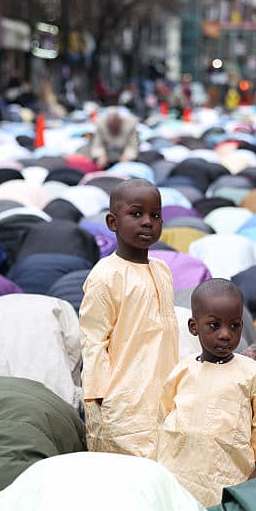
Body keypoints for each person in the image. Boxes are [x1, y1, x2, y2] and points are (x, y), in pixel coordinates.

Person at [156, 279, 256, 506]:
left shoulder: (253, 374)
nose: (225, 334)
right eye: (214, 325)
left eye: (234, 326)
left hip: (231, 485)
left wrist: (255, 482)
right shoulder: (182, 371)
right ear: (194, 327)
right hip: (179, 482)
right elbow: (163, 420)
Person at [79, 179, 178, 458]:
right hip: (123, 404)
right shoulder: (105, 276)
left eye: (155, 215)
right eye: (136, 214)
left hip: (164, 396)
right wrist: (99, 404)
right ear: (113, 222)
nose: (147, 222)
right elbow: (93, 342)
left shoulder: (162, 270)